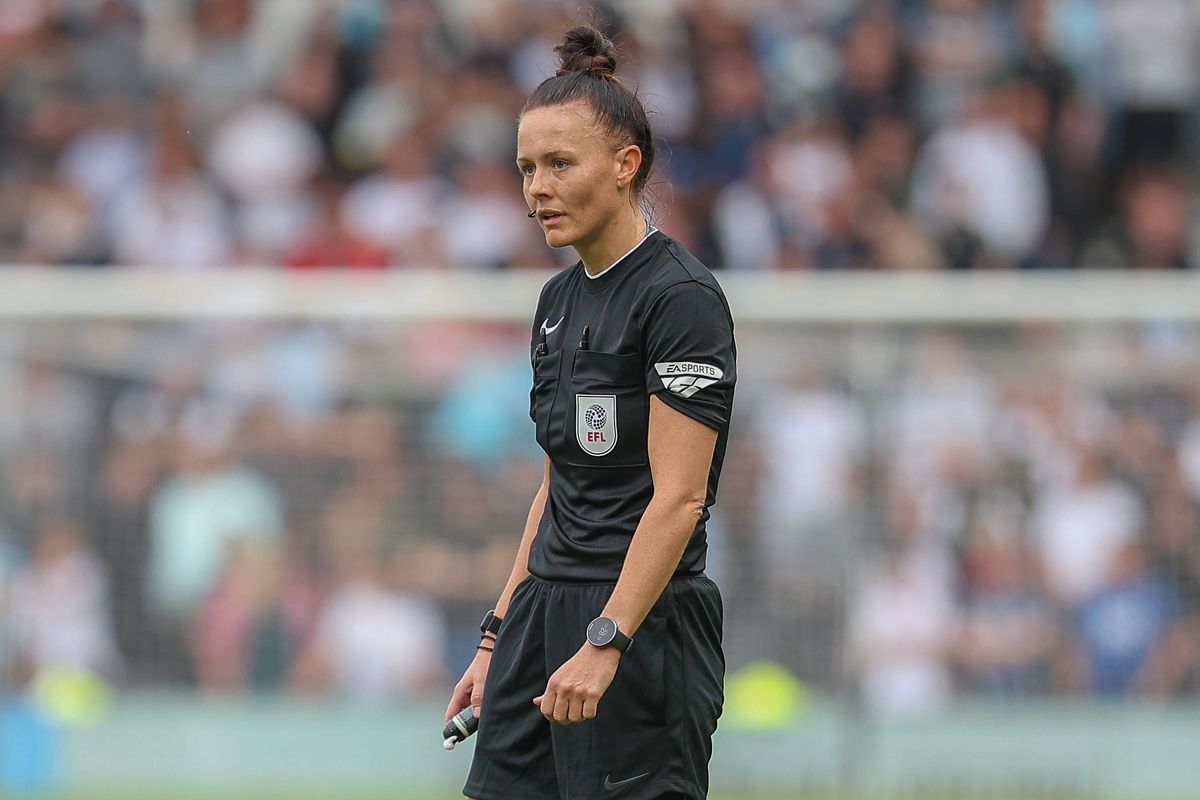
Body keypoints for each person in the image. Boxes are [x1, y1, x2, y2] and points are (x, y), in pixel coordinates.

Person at [443, 24, 737, 800]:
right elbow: (558, 485)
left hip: (638, 625)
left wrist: (607, 641)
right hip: (543, 615)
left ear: (625, 165)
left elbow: (680, 498)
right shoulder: (556, 300)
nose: (536, 187)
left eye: (559, 164)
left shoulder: (680, 299)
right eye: (526, 168)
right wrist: (496, 638)